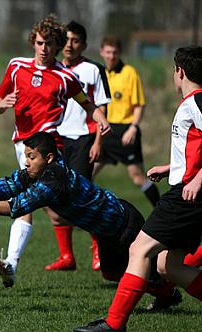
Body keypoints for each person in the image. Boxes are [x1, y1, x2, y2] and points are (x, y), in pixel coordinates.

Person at [0, 131, 180, 307]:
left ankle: (168, 291)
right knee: (113, 273)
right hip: (106, 230)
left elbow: (15, 206)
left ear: (50, 158)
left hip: (124, 224)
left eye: (31, 157)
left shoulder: (55, 182)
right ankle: (165, 291)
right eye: (25, 157)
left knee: (160, 267)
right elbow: (1, 189)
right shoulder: (35, 172)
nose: (27, 162)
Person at [74, 46, 202, 332]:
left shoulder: (197, 103)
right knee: (168, 266)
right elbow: (197, 150)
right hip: (187, 189)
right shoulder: (194, 103)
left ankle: (114, 325)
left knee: (140, 249)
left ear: (179, 72)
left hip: (187, 196)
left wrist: (195, 181)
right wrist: (170, 168)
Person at [0, 15, 110, 286]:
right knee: (61, 208)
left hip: (46, 148)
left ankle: (11, 263)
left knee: (27, 202)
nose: (45, 49)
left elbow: (87, 104)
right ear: (33, 42)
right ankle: (106, 238)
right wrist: (2, 104)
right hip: (22, 144)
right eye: (40, 43)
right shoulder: (16, 67)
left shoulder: (64, 77)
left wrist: (100, 118)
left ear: (58, 46)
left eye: (51, 44)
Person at [47, 21, 111, 271]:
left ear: (84, 45)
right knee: (51, 195)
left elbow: (102, 107)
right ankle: (67, 257)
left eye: (76, 41)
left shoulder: (93, 69)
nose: (70, 45)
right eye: (67, 40)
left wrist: (98, 141)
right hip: (56, 138)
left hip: (83, 139)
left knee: (80, 196)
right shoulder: (54, 69)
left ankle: (98, 249)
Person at [94, 36, 160, 207]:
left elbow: (139, 104)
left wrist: (133, 128)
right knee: (86, 174)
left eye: (114, 52)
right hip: (105, 131)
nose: (111, 56)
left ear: (120, 53)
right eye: (108, 52)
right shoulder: (98, 73)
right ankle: (83, 216)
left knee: (138, 177)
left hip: (125, 131)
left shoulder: (129, 73)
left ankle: (162, 210)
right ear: (102, 52)